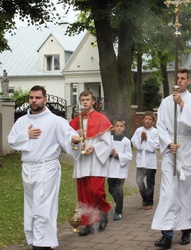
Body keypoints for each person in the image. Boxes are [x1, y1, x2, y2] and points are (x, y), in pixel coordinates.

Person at [8, 85, 81, 250]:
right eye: (31, 97)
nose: (34, 100)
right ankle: (35, 239)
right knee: (31, 207)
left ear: (45, 99)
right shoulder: (22, 121)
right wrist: (25, 135)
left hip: (46, 168)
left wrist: (74, 140)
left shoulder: (55, 121)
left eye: (38, 97)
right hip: (27, 169)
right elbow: (11, 140)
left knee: (43, 207)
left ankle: (42, 244)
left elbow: (69, 135)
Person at [151, 67, 191, 249]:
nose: (180, 81)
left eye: (183, 78)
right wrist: (168, 143)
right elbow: (160, 125)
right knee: (168, 191)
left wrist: (182, 104)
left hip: (188, 148)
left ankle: (186, 229)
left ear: (188, 81)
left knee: (186, 191)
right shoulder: (166, 102)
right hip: (171, 152)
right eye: (178, 78)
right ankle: (166, 233)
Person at [69, 90, 113, 237]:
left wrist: (95, 148)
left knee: (96, 190)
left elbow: (107, 142)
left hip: (96, 160)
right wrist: (76, 137)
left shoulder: (101, 119)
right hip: (82, 161)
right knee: (84, 194)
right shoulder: (76, 121)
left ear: (93, 101)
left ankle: (103, 210)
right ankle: (88, 223)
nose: (85, 102)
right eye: (82, 100)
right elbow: (69, 141)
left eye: (87, 99)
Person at [131, 111, 159, 210]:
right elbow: (134, 142)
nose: (147, 121)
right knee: (138, 180)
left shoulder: (155, 132)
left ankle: (149, 202)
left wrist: (147, 139)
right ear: (142, 120)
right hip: (141, 160)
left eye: (150, 119)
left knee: (150, 182)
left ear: (153, 121)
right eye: (146, 119)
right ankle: (145, 197)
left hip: (150, 161)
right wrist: (141, 140)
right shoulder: (139, 130)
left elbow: (156, 145)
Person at [107, 118, 132, 220]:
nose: (119, 128)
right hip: (110, 168)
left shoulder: (126, 141)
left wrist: (117, 155)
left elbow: (129, 156)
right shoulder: (109, 139)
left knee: (119, 190)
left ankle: (118, 211)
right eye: (117, 126)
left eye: (121, 126)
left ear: (124, 128)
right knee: (110, 189)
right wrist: (109, 154)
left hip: (120, 169)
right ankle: (118, 201)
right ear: (113, 127)